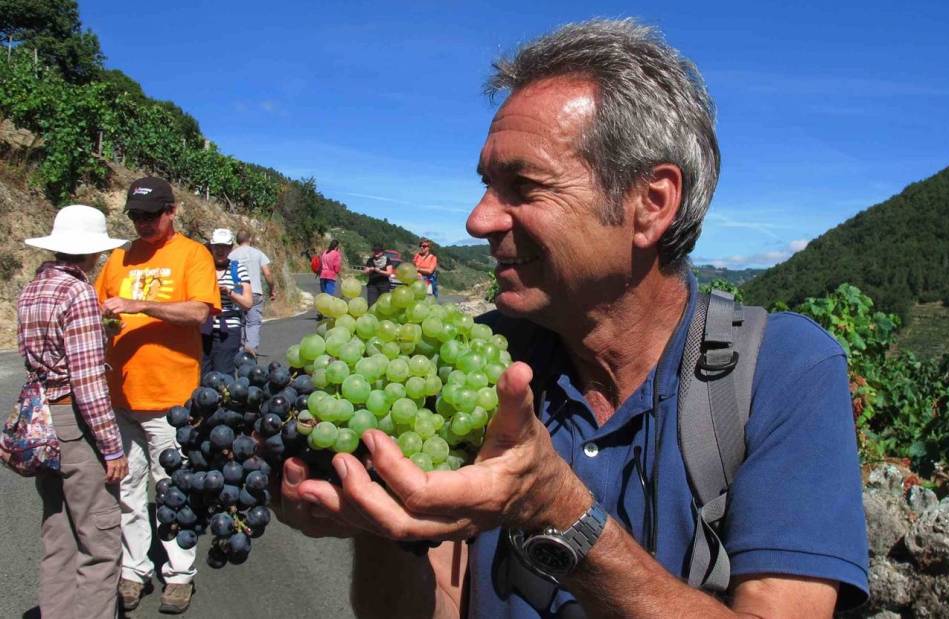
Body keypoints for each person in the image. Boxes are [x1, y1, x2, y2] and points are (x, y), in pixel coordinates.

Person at [276, 19, 868, 618]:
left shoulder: (783, 372)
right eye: (487, 184)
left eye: (522, 186)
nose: (477, 221)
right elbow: (442, 603)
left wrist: (559, 513)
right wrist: (386, 527)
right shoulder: (479, 363)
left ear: (651, 204)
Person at [95, 176, 220, 614]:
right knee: (127, 488)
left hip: (171, 399)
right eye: (135, 216)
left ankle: (179, 574)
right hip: (120, 397)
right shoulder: (118, 257)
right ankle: (134, 571)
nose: (143, 223)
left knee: (172, 490)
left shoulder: (192, 254)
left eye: (151, 215)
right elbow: (99, 308)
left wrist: (138, 306)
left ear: (171, 212)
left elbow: (199, 312)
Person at [18, 205, 129, 619]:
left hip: (41, 421)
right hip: (73, 424)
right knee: (99, 542)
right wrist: (112, 447)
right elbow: (87, 382)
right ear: (91, 252)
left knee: (58, 532)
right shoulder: (78, 292)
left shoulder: (33, 289)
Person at [202, 228, 252, 374]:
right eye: (217, 246)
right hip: (203, 328)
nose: (220, 250)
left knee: (224, 373)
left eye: (225, 247)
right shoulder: (201, 268)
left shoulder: (237, 270)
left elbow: (247, 303)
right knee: (202, 374)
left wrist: (229, 292)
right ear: (211, 246)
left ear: (230, 248)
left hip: (228, 330)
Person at [229, 230, 274, 355]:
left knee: (240, 321)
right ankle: (250, 350)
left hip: (238, 293)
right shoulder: (258, 253)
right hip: (254, 292)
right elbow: (267, 273)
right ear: (249, 239)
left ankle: (240, 349)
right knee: (253, 323)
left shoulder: (231, 255)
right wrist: (271, 289)